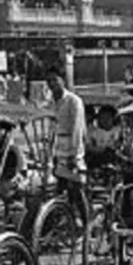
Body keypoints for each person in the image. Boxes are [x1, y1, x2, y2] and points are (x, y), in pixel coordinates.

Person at [47, 66, 87, 215]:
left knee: (77, 189)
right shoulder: (51, 102)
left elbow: (77, 129)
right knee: (59, 189)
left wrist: (76, 156)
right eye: (49, 81)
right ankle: (67, 221)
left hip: (72, 148)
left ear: (63, 80)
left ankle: (85, 222)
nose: (52, 84)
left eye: (55, 80)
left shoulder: (73, 101)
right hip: (57, 149)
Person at [86, 105, 121, 170]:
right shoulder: (94, 132)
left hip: (113, 159)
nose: (105, 120)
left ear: (113, 118)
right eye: (102, 117)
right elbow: (89, 147)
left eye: (108, 117)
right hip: (97, 158)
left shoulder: (118, 131)